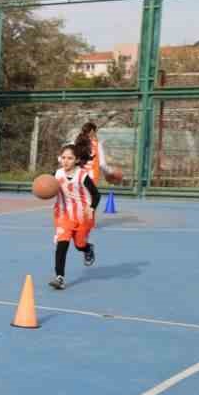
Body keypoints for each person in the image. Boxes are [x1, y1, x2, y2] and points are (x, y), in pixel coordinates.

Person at [50, 142, 100, 290]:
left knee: (79, 245)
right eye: (63, 157)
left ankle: (87, 248)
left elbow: (96, 195)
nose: (65, 161)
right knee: (62, 244)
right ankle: (60, 278)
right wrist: (43, 189)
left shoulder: (83, 176)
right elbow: (47, 187)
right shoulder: (57, 174)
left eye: (70, 158)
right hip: (63, 214)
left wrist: (91, 208)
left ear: (77, 160)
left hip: (82, 215)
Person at [78, 121, 121, 187]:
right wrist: (111, 172)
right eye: (96, 132)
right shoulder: (97, 145)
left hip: (77, 177)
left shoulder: (75, 143)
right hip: (91, 178)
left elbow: (60, 158)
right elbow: (102, 164)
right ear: (92, 131)